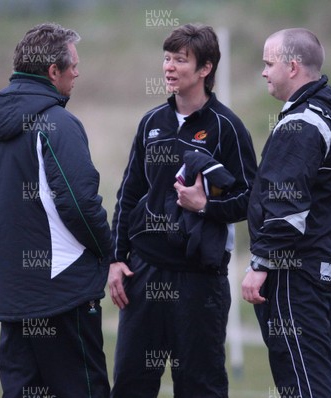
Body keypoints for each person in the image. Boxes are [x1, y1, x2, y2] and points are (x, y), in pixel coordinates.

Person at [107, 23, 257, 398]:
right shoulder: (151, 123)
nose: (169, 67)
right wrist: (115, 259)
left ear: (205, 69)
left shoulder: (227, 128)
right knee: (130, 384)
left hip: (199, 279)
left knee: (199, 387)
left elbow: (252, 198)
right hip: (145, 273)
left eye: (180, 60)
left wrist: (206, 205)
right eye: (166, 58)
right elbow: (128, 194)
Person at [0, 23, 111, 397]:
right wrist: (106, 252)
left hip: (11, 295)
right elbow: (79, 204)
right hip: (65, 295)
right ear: (52, 71)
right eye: (73, 65)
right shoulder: (59, 124)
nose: (78, 72)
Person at [242, 28, 331, 398]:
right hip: (319, 270)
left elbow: (287, 212)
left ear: (293, 66)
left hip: (293, 273)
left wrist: (260, 264)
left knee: (302, 383)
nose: (264, 72)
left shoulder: (300, 123)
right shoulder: (329, 107)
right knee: (323, 376)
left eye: (269, 64)